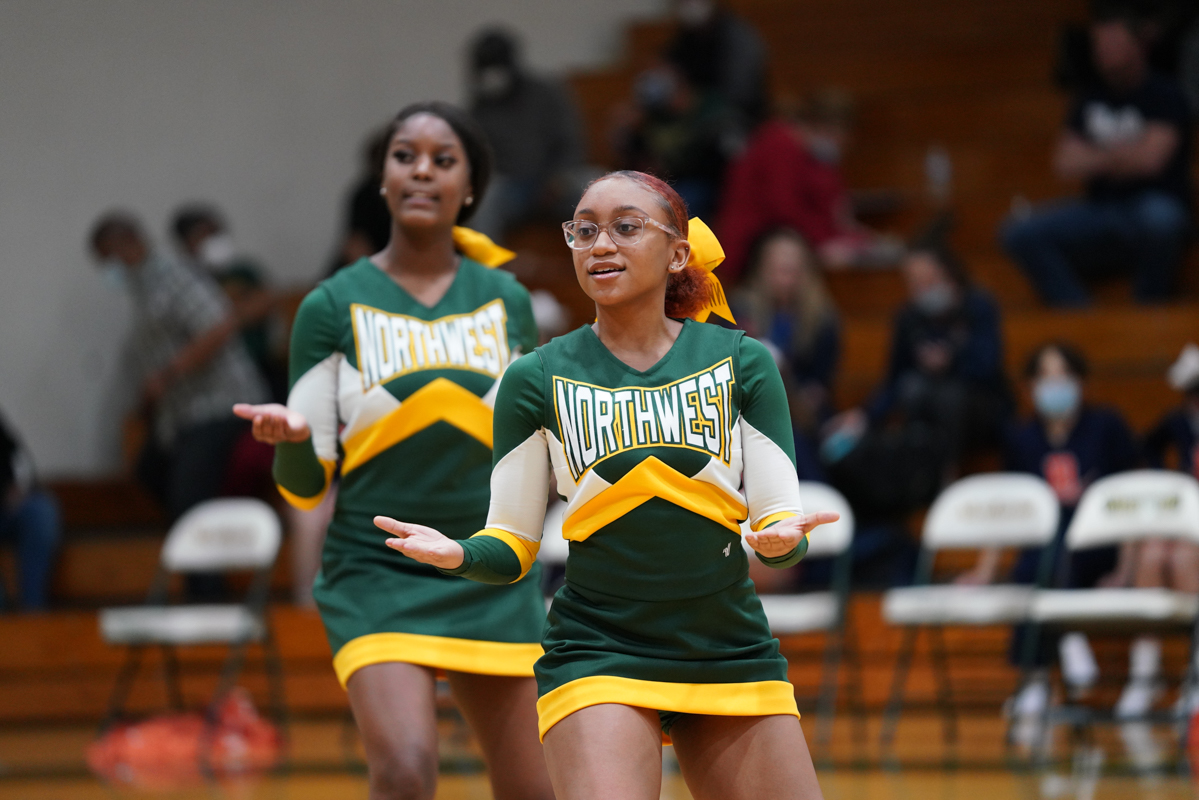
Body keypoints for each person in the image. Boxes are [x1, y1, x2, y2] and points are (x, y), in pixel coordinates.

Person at [375, 170, 833, 800]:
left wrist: (782, 541)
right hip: (598, 649)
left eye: (626, 227)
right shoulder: (535, 377)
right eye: (584, 230)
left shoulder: (742, 361)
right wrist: (460, 553)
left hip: (728, 645)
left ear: (678, 253)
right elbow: (512, 543)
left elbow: (780, 518)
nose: (601, 244)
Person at [233, 102, 553, 800]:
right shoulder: (330, 305)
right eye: (405, 156)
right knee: (406, 770)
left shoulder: (508, 301)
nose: (422, 171)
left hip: (491, 573)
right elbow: (305, 486)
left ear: (469, 187)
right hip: (379, 574)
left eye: (443, 160)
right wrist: (293, 444)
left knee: (539, 790)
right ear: (382, 179)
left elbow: (530, 451)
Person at [957, 342, 1137, 727]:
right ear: (1030, 387)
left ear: (1081, 382)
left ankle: (1044, 666)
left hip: (1099, 549)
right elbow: (1010, 507)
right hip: (1045, 553)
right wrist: (985, 569)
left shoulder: (1106, 426)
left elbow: (1129, 502)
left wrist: (1126, 569)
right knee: (1033, 566)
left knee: (1049, 560)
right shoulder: (1022, 437)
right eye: (1045, 377)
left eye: (1063, 376)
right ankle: (1049, 664)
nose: (1055, 386)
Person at [1001, 11, 1193, 306]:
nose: (1105, 52)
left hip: (1153, 204)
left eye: (1114, 44)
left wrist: (1095, 156)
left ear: (1139, 46)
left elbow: (1151, 161)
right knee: (1018, 233)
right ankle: (1080, 316)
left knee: (1161, 219)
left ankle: (1148, 310)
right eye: (1099, 46)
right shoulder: (1089, 98)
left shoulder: (1164, 94)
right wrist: (1127, 156)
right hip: (1100, 208)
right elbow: (1064, 164)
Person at [89, 214, 269, 524]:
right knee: (149, 473)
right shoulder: (142, 287)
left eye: (109, 257)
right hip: (182, 414)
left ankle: (216, 546)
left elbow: (218, 326)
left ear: (130, 243)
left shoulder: (173, 275)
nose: (109, 269)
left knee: (188, 498)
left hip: (221, 403)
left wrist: (168, 374)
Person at [824, 243, 1008, 518]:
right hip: (926, 404)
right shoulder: (908, 317)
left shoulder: (978, 306)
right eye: (914, 282)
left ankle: (946, 474)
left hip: (977, 405)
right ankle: (920, 475)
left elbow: (988, 367)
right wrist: (864, 415)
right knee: (913, 387)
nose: (922, 289)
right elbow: (894, 379)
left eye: (928, 280)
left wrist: (952, 361)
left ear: (948, 274)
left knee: (949, 395)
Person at [717, 90, 900, 280]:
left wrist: (855, 237)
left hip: (788, 238)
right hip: (753, 247)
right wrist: (825, 241)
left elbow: (829, 202)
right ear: (822, 127)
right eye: (838, 136)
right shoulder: (780, 144)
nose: (840, 145)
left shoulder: (813, 155)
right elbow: (784, 209)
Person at [732, 227, 840, 478]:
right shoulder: (740, 311)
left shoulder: (823, 318)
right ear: (763, 270)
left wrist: (806, 397)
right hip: (750, 409)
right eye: (779, 270)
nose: (786, 280)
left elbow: (821, 382)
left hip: (802, 412)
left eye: (793, 271)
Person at [466, 28, 592, 244]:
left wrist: (558, 180)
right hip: (512, 189)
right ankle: (486, 265)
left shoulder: (546, 93)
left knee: (598, 187)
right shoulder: (479, 108)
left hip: (556, 183)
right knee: (481, 203)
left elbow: (572, 144)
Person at [664, 0, 768, 126]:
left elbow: (740, 92)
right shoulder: (689, 36)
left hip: (738, 118)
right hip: (698, 117)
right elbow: (670, 65)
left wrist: (699, 100)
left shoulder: (737, 38)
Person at [0, 411, 60, 611]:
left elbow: (19, 458)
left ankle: (32, 614)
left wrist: (21, 487)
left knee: (41, 511)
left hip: (6, 507)